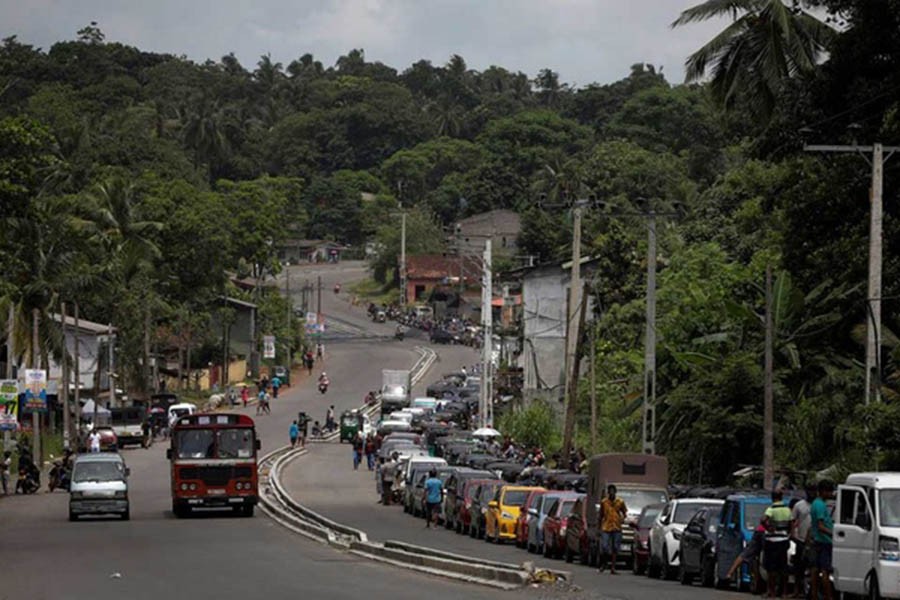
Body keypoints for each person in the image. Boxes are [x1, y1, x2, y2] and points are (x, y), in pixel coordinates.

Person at [763, 489, 792, 597]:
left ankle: (772, 591)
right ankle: (784, 592)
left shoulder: (771, 509)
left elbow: (763, 520)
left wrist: (768, 528)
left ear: (772, 498)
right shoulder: (787, 509)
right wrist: (787, 534)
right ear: (781, 497)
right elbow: (791, 523)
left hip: (772, 541)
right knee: (783, 567)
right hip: (783, 540)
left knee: (771, 568)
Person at [810, 480, 835, 600]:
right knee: (825, 571)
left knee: (815, 569)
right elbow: (820, 526)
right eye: (830, 491)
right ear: (824, 491)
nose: (831, 494)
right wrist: (833, 534)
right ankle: (828, 596)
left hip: (817, 540)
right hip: (824, 541)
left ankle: (814, 594)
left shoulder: (816, 503)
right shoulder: (820, 505)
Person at [726, 516, 767, 590]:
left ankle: (730, 572)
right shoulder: (772, 511)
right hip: (764, 533)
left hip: (769, 534)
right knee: (746, 554)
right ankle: (730, 572)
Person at [790, 487, 814, 598]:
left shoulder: (819, 505)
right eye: (810, 490)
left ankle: (810, 592)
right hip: (801, 540)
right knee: (799, 567)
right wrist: (793, 534)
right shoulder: (799, 505)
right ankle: (796, 590)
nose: (811, 493)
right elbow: (793, 520)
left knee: (813, 568)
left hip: (814, 541)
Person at [598, 484, 627, 574]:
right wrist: (599, 528)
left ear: (615, 492)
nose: (611, 493)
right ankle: (604, 563)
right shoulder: (604, 502)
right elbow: (601, 515)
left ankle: (613, 567)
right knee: (605, 546)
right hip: (606, 526)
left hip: (616, 526)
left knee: (615, 547)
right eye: (610, 491)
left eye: (613, 491)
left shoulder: (620, 501)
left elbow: (624, 512)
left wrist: (622, 519)